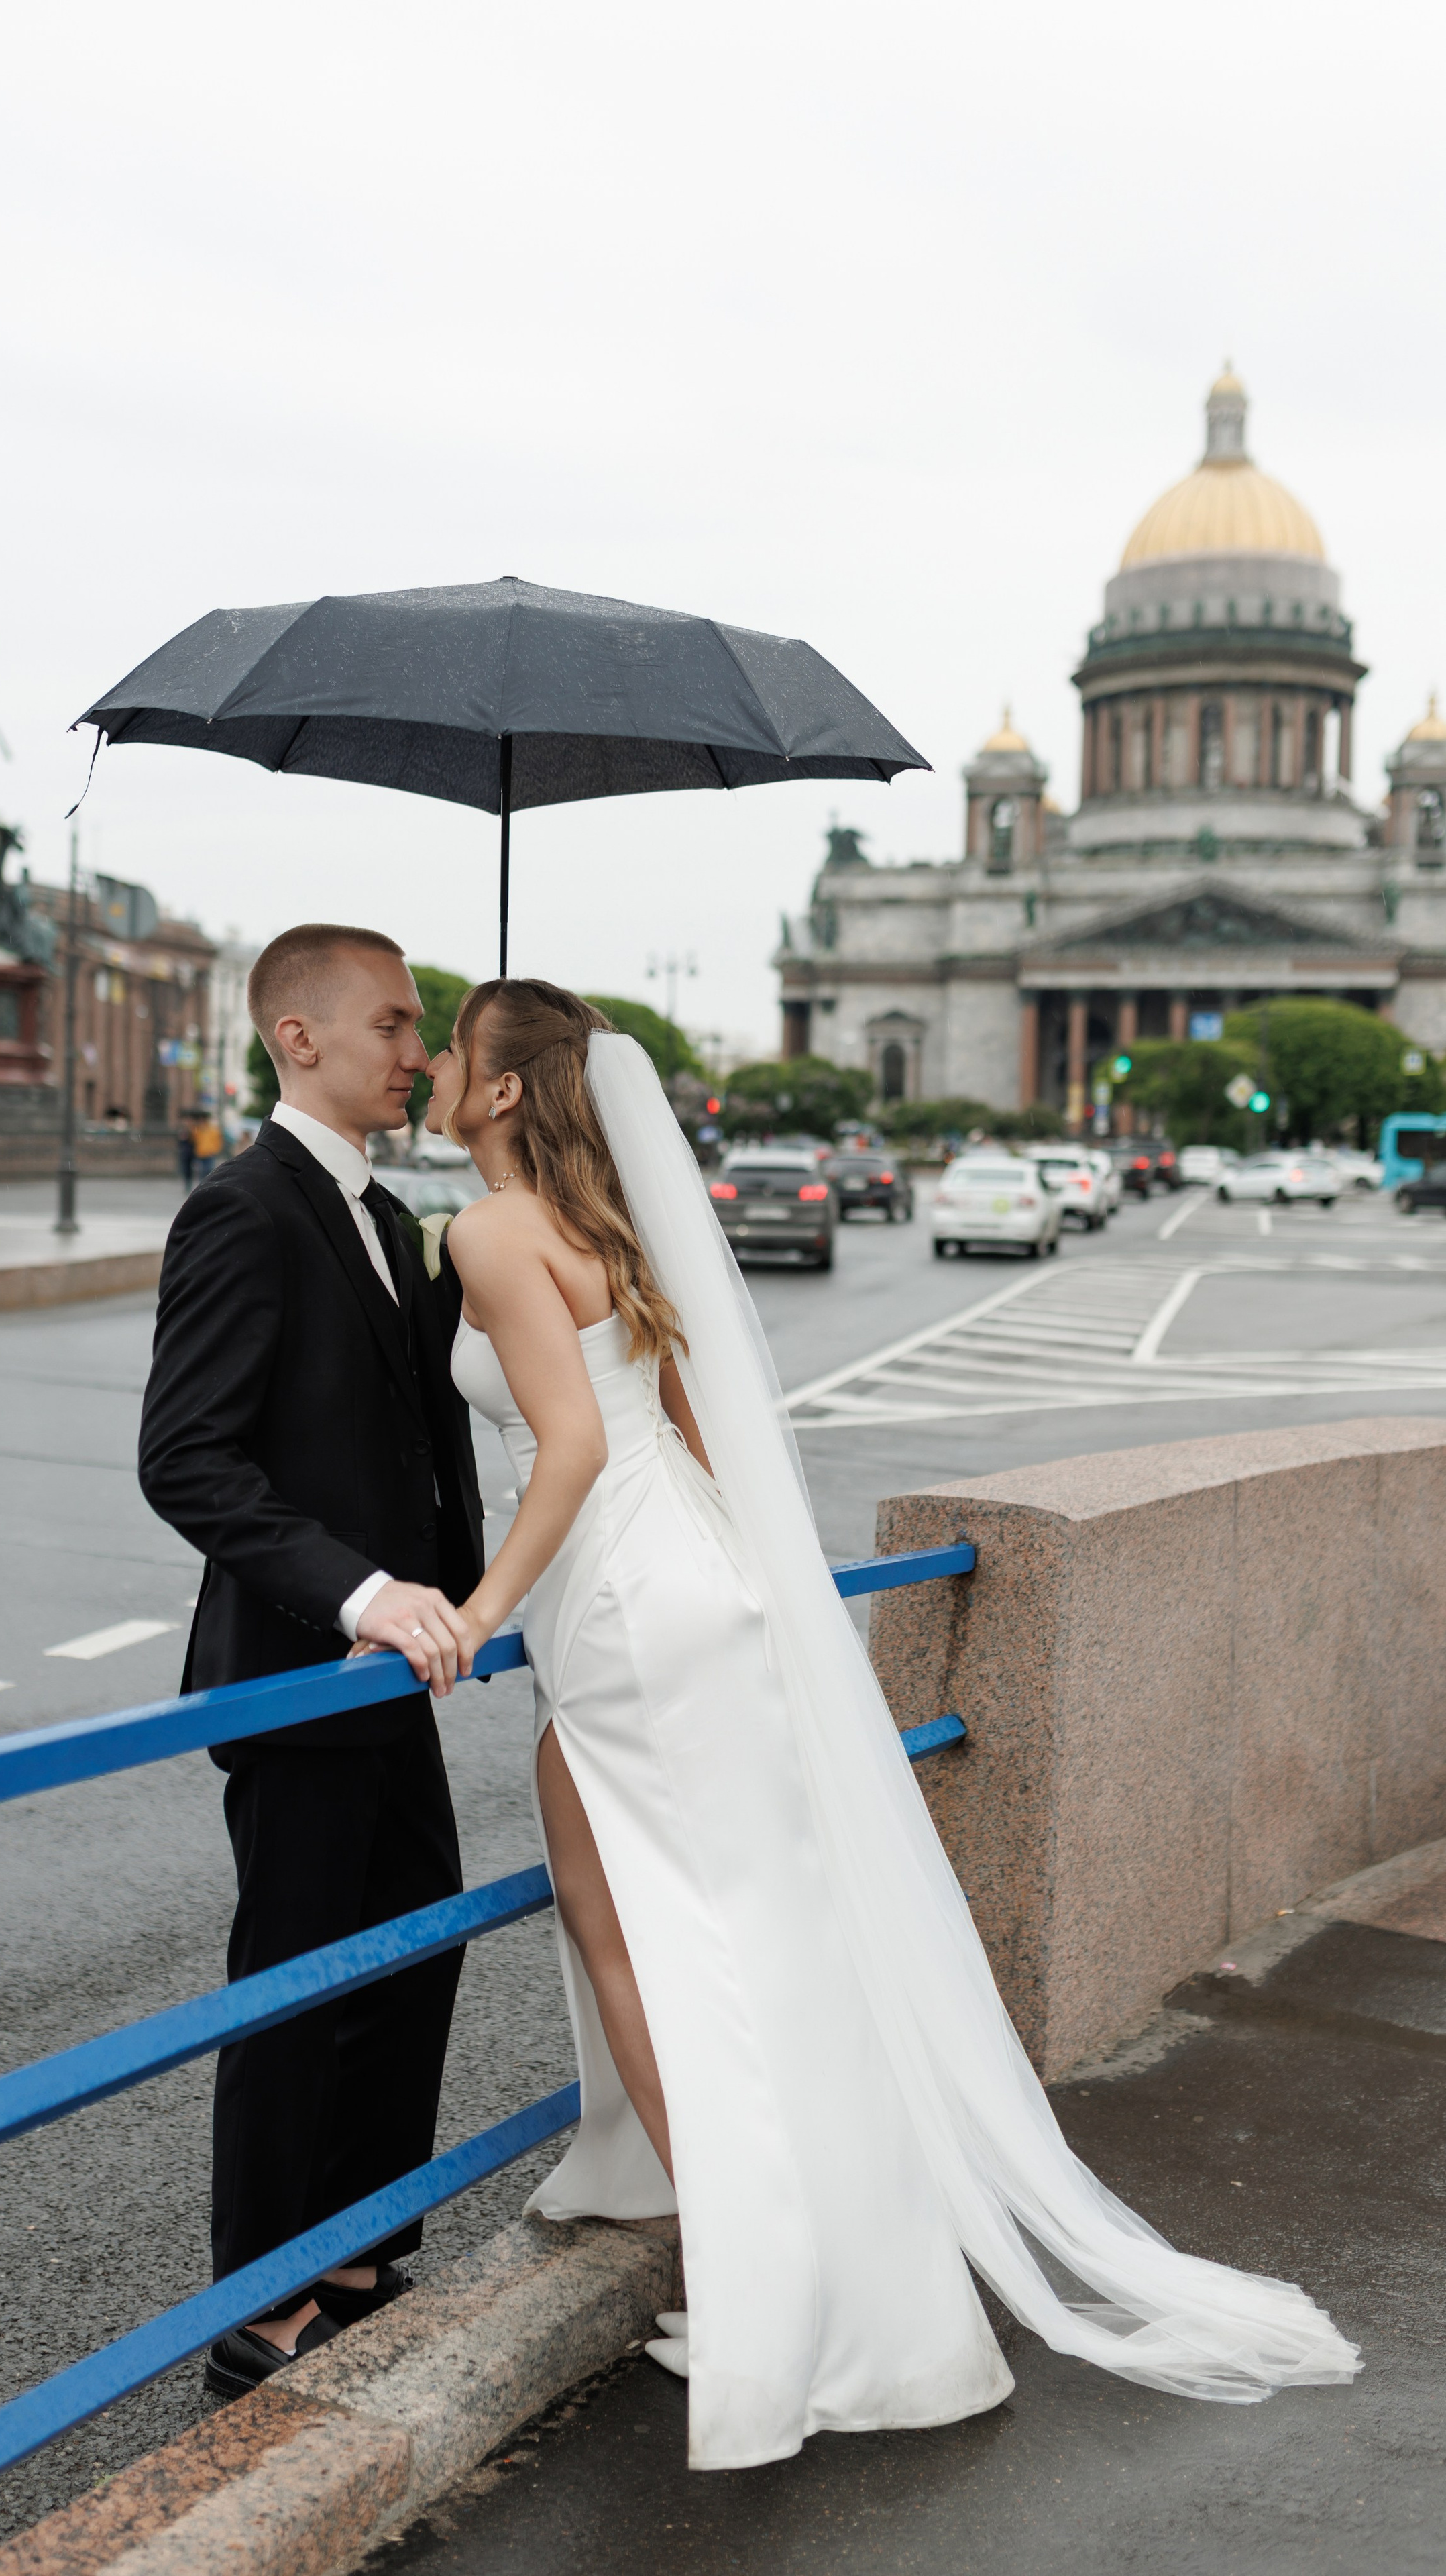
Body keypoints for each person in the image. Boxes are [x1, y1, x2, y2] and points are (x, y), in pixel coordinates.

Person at [427, 978, 1359, 2474]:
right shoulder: (614, 1226)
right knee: (758, 1937)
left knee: (646, 1943)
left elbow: (577, 1443)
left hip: (620, 1597)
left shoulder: (486, 1230)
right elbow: (688, 1420)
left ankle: (767, 2303)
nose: (429, 1071)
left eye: (451, 1054)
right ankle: (837, 2289)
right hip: (698, 1577)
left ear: (499, 1093)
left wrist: (475, 1614)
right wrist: (757, 1592)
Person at [138, 924, 483, 2397]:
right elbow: (185, 1461)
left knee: (416, 1944)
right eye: (399, 1026)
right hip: (299, 1668)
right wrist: (357, 1595)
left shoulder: (386, 1211)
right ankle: (261, 2306)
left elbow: (418, 1431)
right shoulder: (242, 1207)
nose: (418, 1051)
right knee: (290, 1988)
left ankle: (353, 2245)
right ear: (299, 1037)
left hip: (395, 1666)